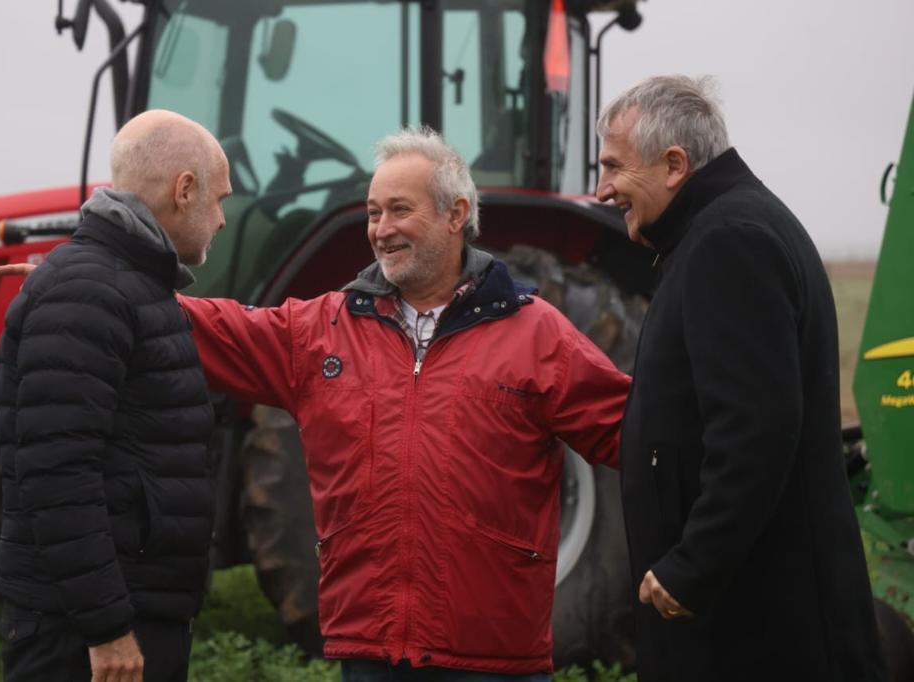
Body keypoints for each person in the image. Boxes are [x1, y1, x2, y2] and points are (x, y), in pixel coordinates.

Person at [179, 127, 631, 680]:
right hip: (374, 654)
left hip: (494, 659)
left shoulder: (536, 334)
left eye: (399, 210)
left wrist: (700, 550)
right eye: (373, 212)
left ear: (455, 213)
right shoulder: (324, 330)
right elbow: (209, 328)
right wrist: (91, 287)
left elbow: (639, 437)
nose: (380, 230)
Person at [595, 75, 885, 681]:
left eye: (615, 167)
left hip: (756, 629)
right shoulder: (717, 233)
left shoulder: (729, 241)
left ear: (674, 164)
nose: (603, 190)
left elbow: (756, 430)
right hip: (743, 618)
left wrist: (692, 567)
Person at [0, 109, 232, 682]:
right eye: (220, 199)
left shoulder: (123, 287)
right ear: (184, 189)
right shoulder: (91, 291)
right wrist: (107, 629)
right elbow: (57, 475)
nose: (222, 219)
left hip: (132, 608)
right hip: (86, 635)